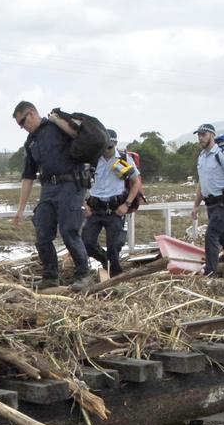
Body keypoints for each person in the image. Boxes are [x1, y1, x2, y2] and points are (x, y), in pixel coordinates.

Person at [11, 101, 94, 291]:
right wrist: (20, 209)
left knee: (68, 231)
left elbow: (81, 139)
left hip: (71, 185)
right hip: (48, 188)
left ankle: (84, 275)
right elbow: (28, 176)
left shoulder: (57, 127)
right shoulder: (31, 141)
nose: (23, 127)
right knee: (42, 233)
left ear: (31, 114)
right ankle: (50, 276)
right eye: (20, 125)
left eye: (23, 122)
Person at [83, 129, 143, 278]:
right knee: (86, 243)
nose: (106, 150)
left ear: (115, 144)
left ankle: (116, 278)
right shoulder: (93, 160)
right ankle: (104, 261)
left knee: (113, 248)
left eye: (109, 147)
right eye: (103, 146)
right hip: (95, 209)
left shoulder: (124, 159)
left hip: (115, 210)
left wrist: (127, 204)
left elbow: (136, 183)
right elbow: (82, 183)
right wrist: (86, 204)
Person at [190, 123, 224, 276]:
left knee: (211, 235)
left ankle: (210, 273)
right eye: (199, 135)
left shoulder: (222, 155)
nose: (200, 138)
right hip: (210, 205)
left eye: (203, 135)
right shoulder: (201, 157)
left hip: (223, 204)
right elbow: (202, 183)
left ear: (212, 135)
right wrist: (195, 205)